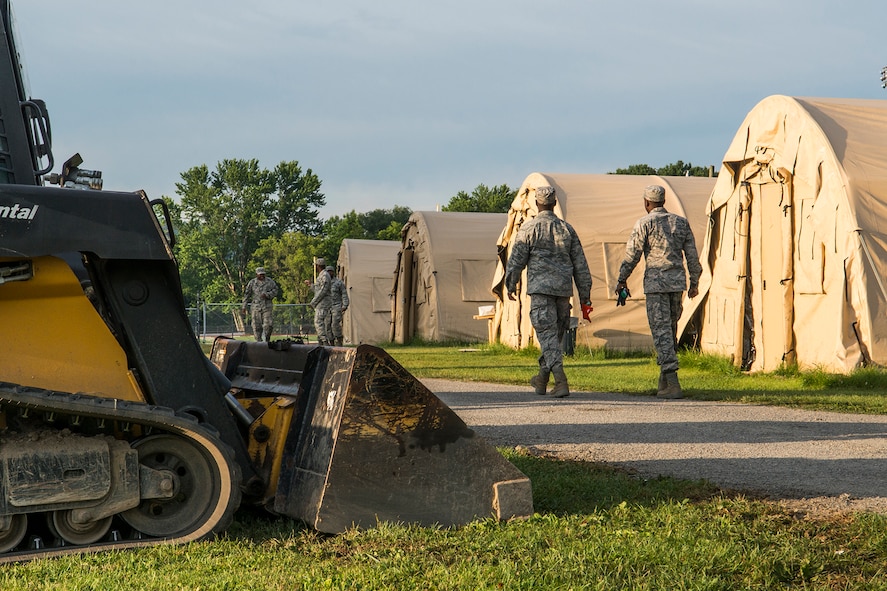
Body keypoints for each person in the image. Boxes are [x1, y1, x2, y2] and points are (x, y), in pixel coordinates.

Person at [504, 185, 593, 398]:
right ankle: (542, 379)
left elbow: (516, 260)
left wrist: (510, 283)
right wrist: (585, 295)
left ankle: (561, 381)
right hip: (563, 292)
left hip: (541, 292)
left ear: (537, 203)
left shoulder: (528, 228)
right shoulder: (566, 229)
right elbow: (581, 265)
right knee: (553, 338)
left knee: (547, 336)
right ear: (554, 203)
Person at [615, 184, 702, 399]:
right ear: (663, 201)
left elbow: (632, 255)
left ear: (646, 202)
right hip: (676, 284)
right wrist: (694, 282)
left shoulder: (644, 223)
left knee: (660, 331)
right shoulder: (681, 223)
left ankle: (672, 382)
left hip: (656, 285)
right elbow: (692, 256)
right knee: (669, 330)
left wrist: (621, 279)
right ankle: (664, 383)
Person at [242, 266, 279, 342]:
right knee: (256, 327)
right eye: (260, 274)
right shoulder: (252, 282)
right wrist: (244, 306)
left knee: (268, 325)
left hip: (267, 306)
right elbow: (247, 294)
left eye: (263, 274)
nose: (262, 276)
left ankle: (267, 339)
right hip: (256, 307)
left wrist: (268, 295)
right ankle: (259, 342)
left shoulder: (270, 281)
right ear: (256, 274)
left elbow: (276, 290)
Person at [307, 257, 333, 345]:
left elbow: (323, 291)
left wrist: (313, 302)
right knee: (321, 323)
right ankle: (321, 342)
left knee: (318, 322)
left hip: (323, 303)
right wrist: (310, 285)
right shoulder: (321, 275)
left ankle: (325, 342)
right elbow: (318, 290)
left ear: (318, 266)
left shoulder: (324, 275)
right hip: (320, 303)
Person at [326, 265, 349, 346]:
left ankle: (339, 343)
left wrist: (345, 305)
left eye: (330, 271)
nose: (329, 273)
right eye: (327, 271)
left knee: (335, 325)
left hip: (337, 306)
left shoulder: (339, 283)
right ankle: (331, 345)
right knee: (327, 326)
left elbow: (344, 294)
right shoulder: (325, 283)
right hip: (327, 307)